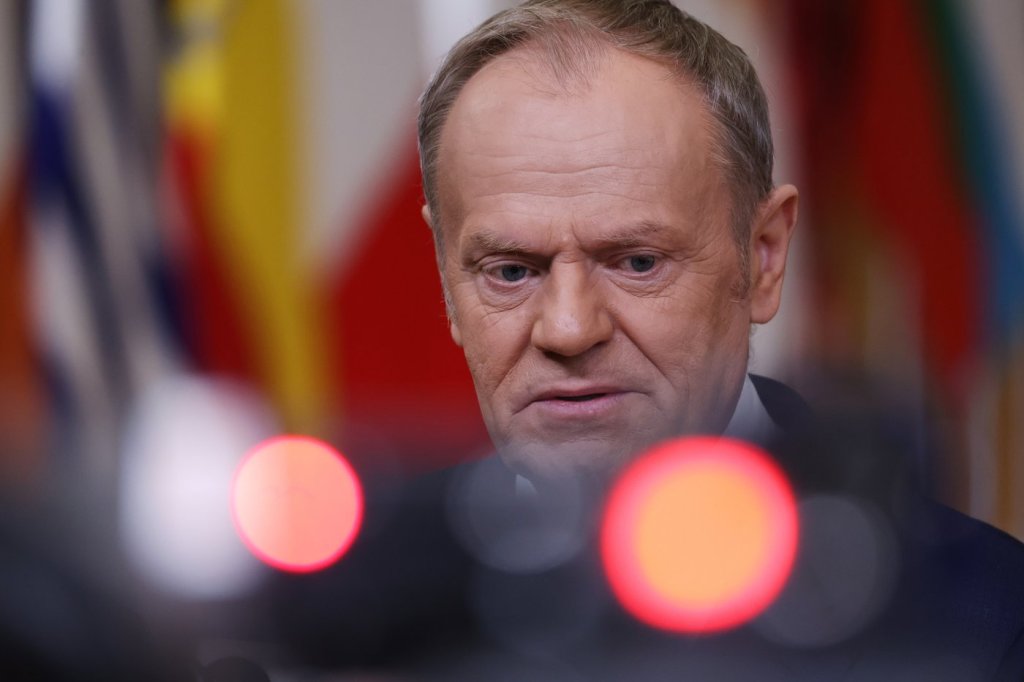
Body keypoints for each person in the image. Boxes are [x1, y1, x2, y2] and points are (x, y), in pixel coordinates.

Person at [411, 1, 1024, 679]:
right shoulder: (351, 618)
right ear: (446, 279)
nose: (569, 329)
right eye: (510, 271)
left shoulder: (989, 626)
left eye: (637, 261)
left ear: (763, 257)